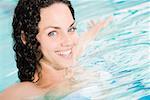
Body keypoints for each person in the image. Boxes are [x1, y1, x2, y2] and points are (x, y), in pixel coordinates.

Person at [0, 0, 112, 99]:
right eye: (52, 33)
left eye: (71, 29)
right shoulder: (25, 92)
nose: (68, 42)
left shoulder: (71, 62)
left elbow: (80, 45)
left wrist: (96, 29)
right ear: (26, 38)